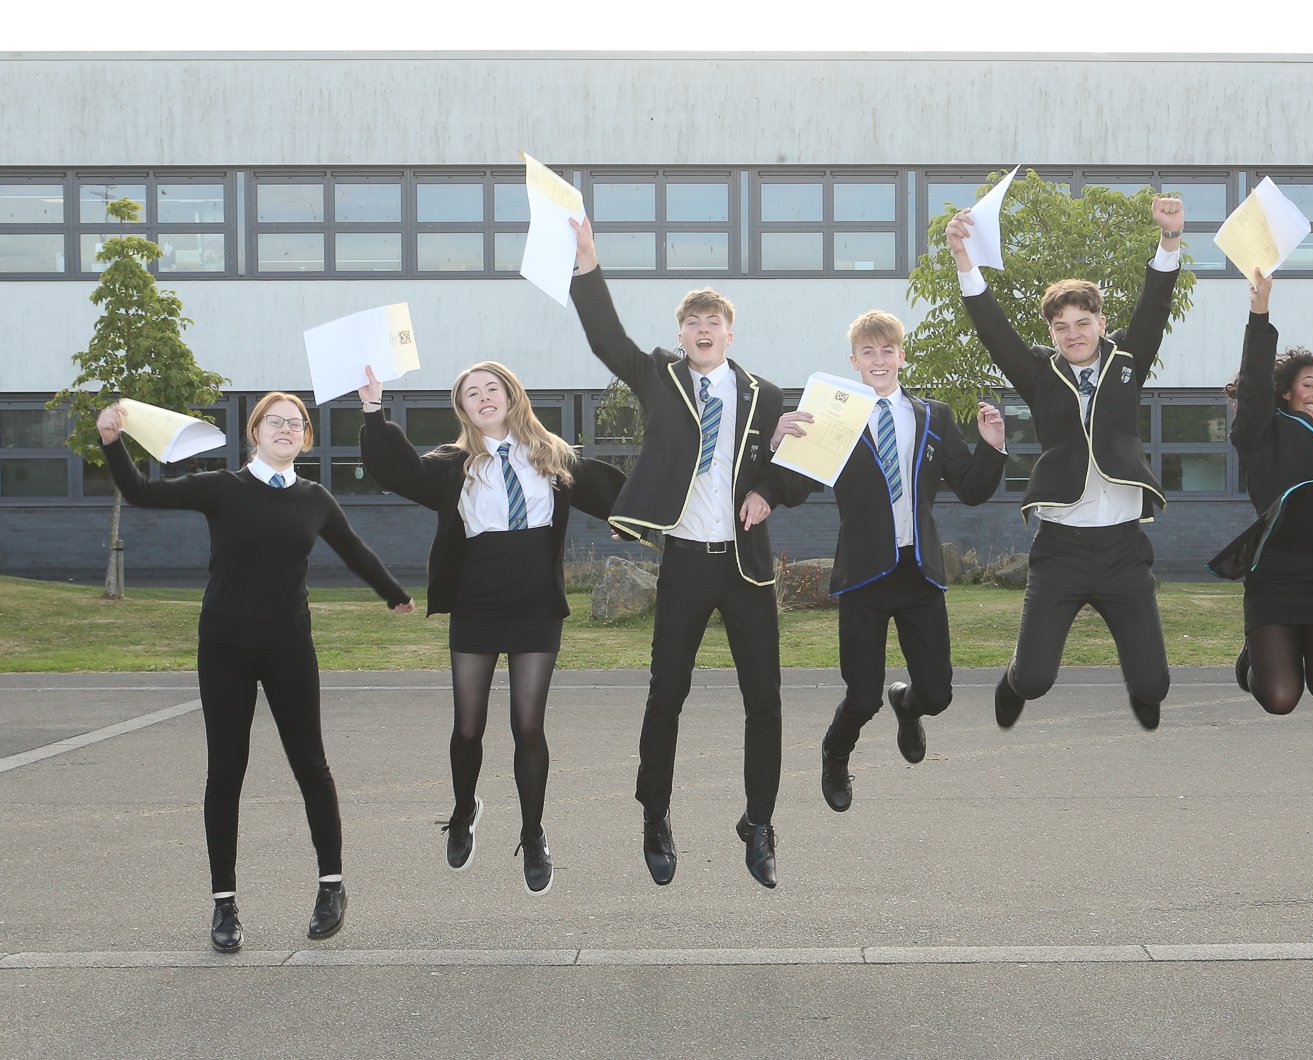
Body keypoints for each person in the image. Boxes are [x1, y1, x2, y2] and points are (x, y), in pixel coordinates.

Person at [96, 394, 413, 953]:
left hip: (289, 647)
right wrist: (113, 442)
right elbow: (141, 493)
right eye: (275, 422)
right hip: (224, 649)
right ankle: (224, 906)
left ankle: (331, 888)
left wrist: (394, 594)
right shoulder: (221, 487)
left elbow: (354, 550)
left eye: (296, 424)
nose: (286, 429)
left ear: (306, 438)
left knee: (311, 765)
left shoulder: (315, 499)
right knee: (226, 773)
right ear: (255, 433)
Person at [568, 217, 806, 889]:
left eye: (714, 320)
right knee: (665, 695)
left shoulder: (765, 395)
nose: (704, 330)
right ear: (681, 334)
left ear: (730, 331)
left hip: (746, 568)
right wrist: (587, 262)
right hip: (684, 565)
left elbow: (780, 472)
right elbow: (605, 338)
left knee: (765, 700)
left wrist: (769, 480)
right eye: (693, 321)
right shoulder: (659, 379)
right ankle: (655, 818)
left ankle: (759, 824)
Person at [359, 362, 624, 898]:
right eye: (470, 393)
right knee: (468, 729)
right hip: (477, 601)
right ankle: (463, 811)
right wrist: (372, 410)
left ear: (511, 395)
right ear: (463, 407)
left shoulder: (553, 456)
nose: (483, 398)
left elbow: (619, 493)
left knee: (528, 728)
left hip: (535, 605)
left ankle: (532, 835)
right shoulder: (454, 464)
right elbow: (398, 471)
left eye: (491, 389)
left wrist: (635, 520)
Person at [944, 196, 1186, 731]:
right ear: (1052, 333)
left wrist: (1168, 240)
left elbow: (1154, 308)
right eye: (1061, 326)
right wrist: (965, 261)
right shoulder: (1035, 373)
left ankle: (1143, 691)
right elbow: (992, 329)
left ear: (1100, 323)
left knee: (1154, 685)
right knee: (1034, 679)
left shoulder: (1127, 361)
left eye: (1083, 322)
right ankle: (1013, 685)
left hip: (1124, 549)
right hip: (1060, 551)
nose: (1073, 333)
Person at [769, 310, 1006, 812]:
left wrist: (993, 448)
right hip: (864, 576)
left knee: (937, 695)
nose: (879, 360)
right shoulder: (835, 419)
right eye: (869, 353)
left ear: (901, 355)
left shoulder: (934, 416)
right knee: (861, 698)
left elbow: (973, 489)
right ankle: (835, 755)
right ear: (854, 361)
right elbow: (793, 490)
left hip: (918, 573)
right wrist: (779, 443)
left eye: (887, 350)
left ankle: (908, 703)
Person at [1210, 270, 1313, 715]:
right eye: (1308, 385)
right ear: (1285, 392)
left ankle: (1302, 646)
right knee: (1280, 698)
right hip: (1276, 579)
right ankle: (1255, 657)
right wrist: (1259, 313)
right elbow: (1254, 382)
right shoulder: (1262, 433)